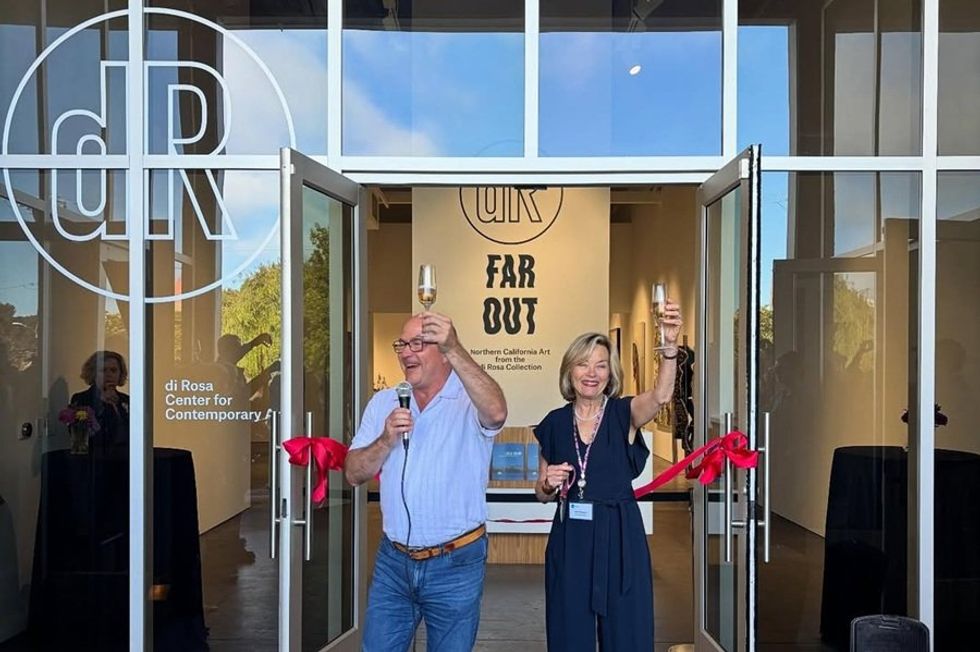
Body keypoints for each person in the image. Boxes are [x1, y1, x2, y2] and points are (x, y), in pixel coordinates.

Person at [344, 311, 507, 651]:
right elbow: (353, 472)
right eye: (401, 344)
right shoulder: (384, 402)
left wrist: (455, 346)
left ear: (444, 351)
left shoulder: (468, 399)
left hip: (456, 564)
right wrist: (385, 439)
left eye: (417, 343)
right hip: (394, 563)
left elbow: (497, 412)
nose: (405, 352)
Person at [534, 300, 683, 651]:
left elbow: (661, 395)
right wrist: (546, 483)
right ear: (569, 371)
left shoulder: (623, 413)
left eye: (601, 365)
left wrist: (670, 348)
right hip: (570, 540)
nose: (592, 372)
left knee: (627, 631)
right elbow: (540, 493)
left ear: (611, 373)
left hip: (620, 537)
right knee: (570, 632)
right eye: (583, 364)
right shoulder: (554, 423)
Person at [70, 350, 130, 453]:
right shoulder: (81, 399)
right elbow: (86, 434)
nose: (109, 374)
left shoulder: (126, 399)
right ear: (94, 373)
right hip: (96, 459)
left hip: (125, 458)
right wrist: (104, 404)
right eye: (103, 370)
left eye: (113, 370)